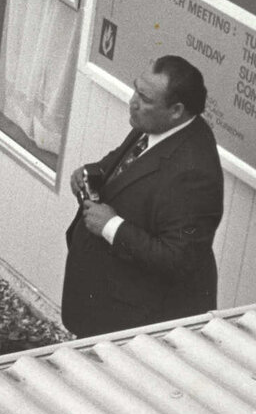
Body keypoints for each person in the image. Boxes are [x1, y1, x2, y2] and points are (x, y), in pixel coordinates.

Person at [61, 57, 226, 338]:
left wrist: (112, 226)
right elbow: (128, 164)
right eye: (136, 90)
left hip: (136, 324)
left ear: (176, 110)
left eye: (145, 98)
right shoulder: (155, 123)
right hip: (105, 302)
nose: (133, 101)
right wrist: (94, 172)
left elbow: (179, 259)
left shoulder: (194, 173)